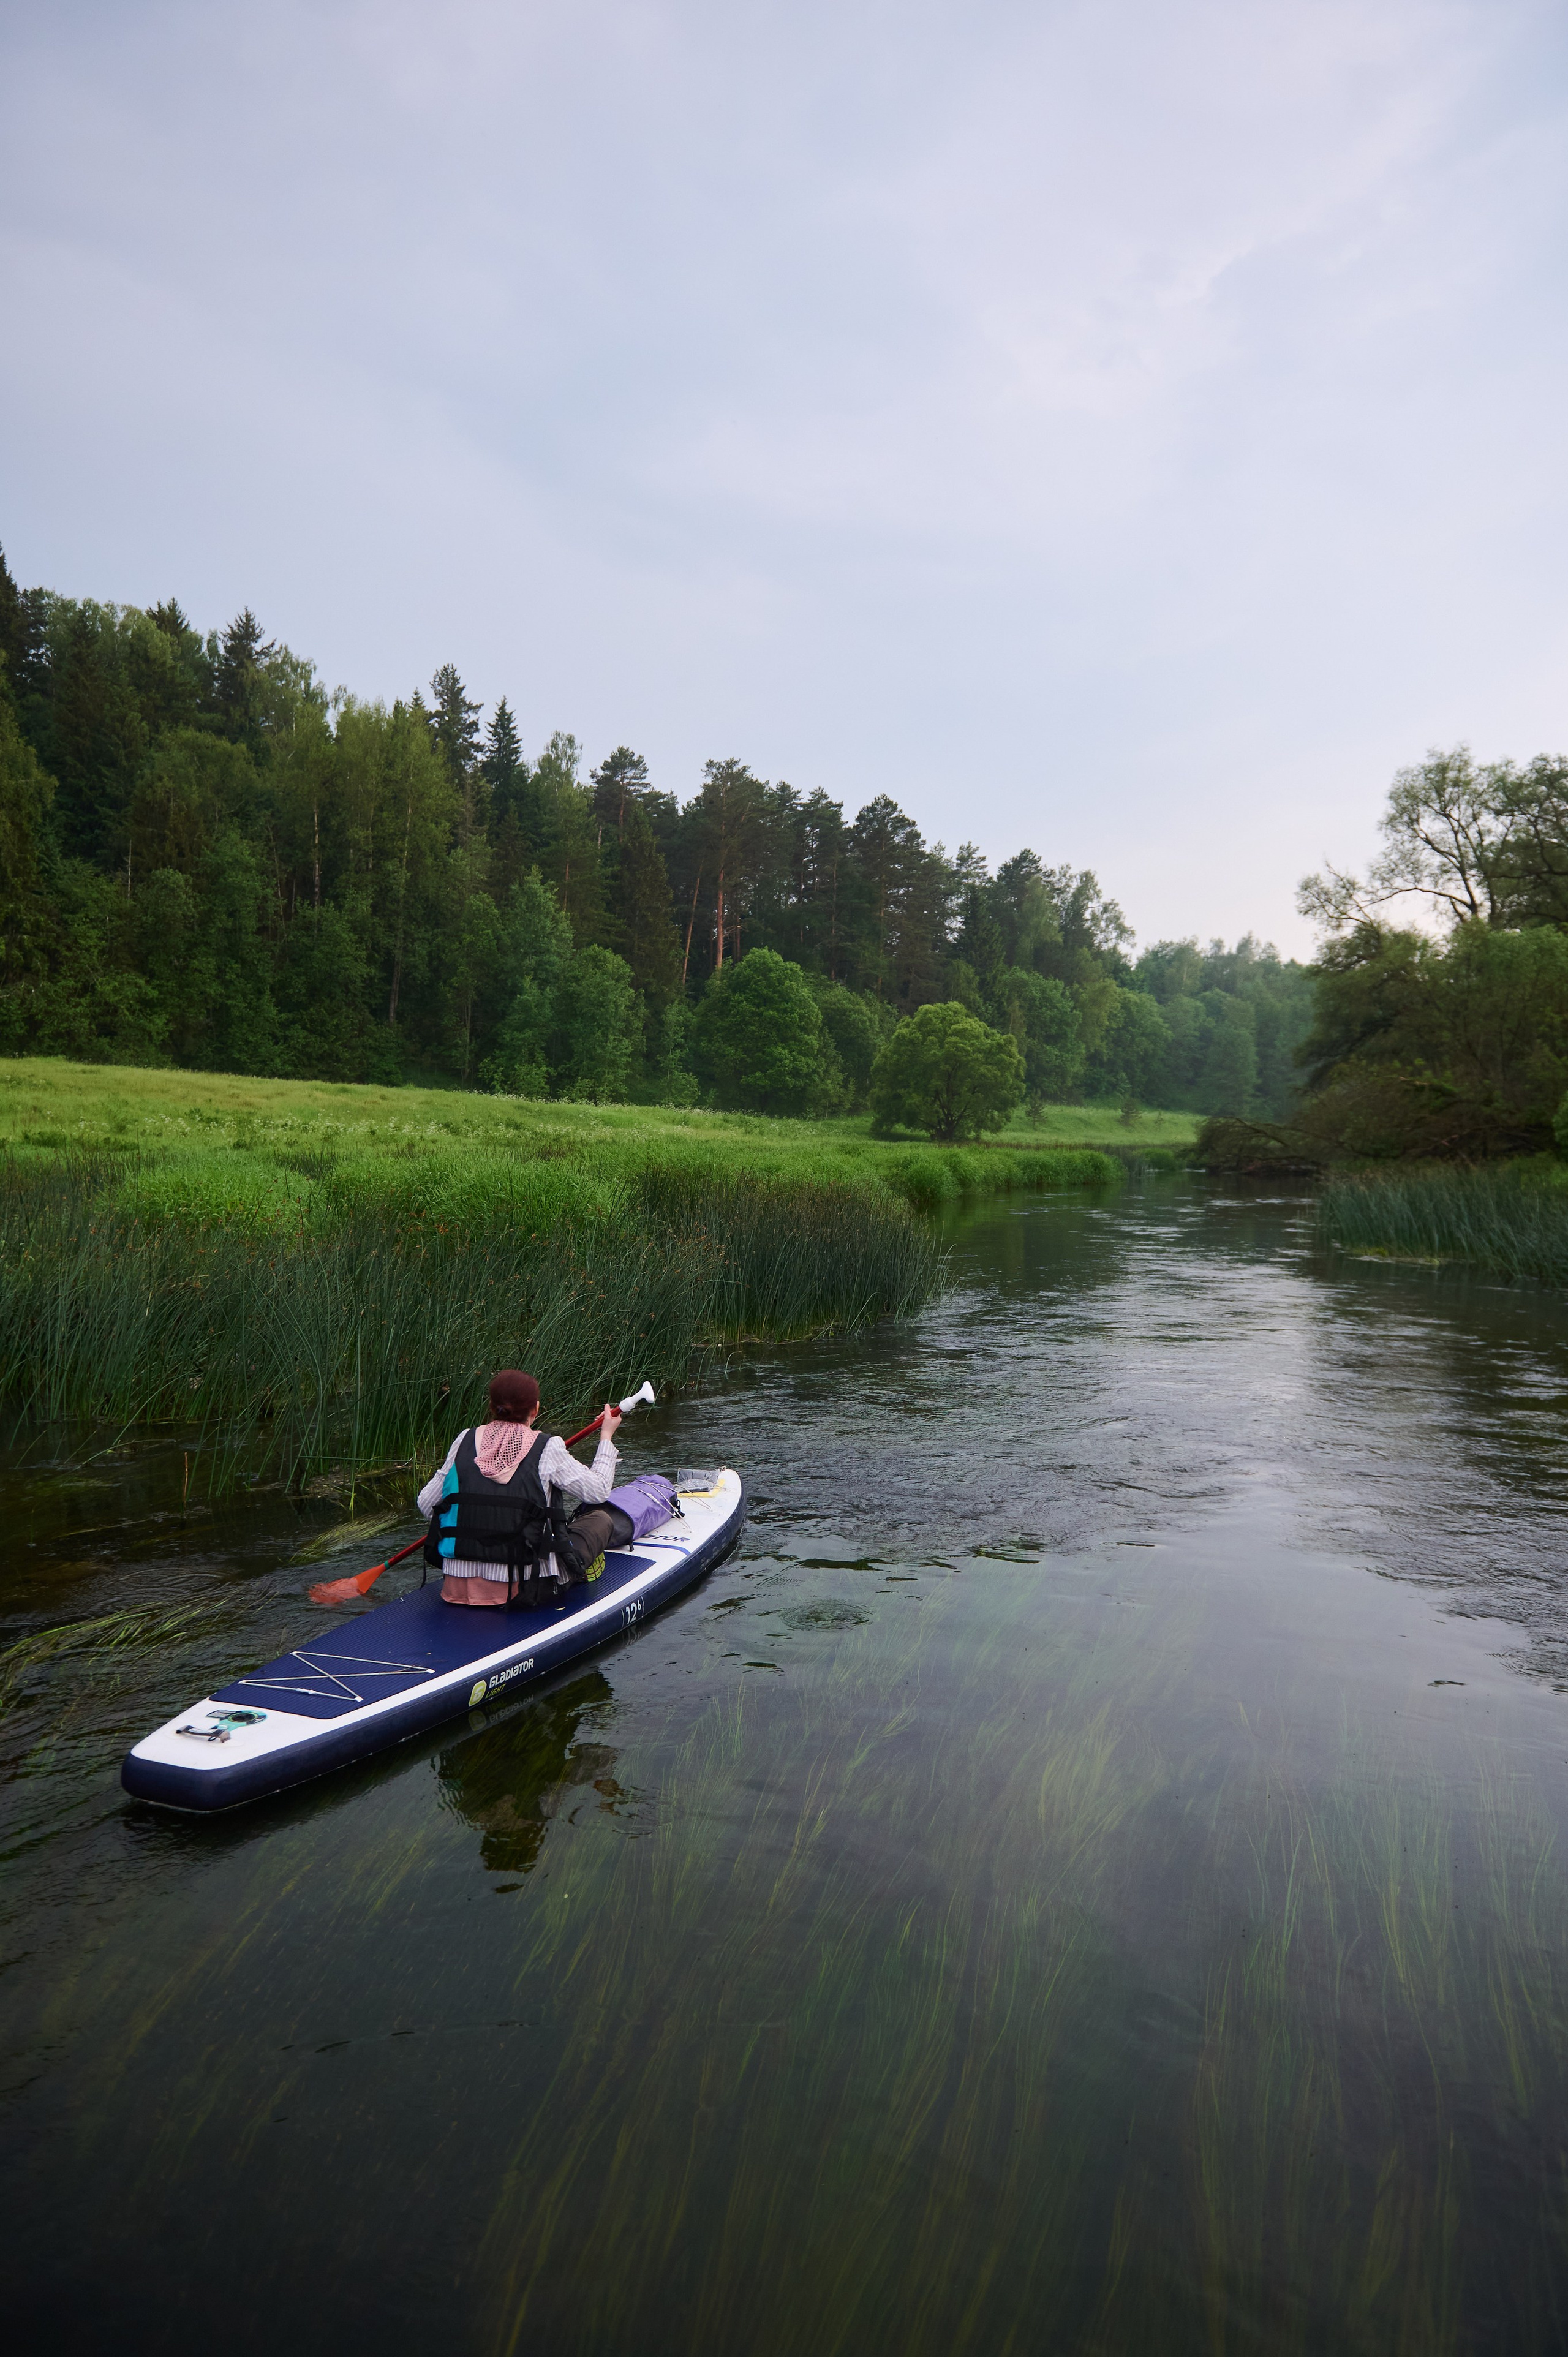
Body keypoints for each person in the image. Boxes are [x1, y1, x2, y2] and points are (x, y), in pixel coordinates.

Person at [417, 1369, 623, 1607]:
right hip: (524, 1591)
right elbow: (598, 1491)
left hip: (455, 1587)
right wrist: (606, 1436)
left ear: (492, 1406)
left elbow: (426, 1505)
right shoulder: (548, 1447)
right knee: (600, 1519)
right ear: (535, 1409)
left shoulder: (464, 1440)